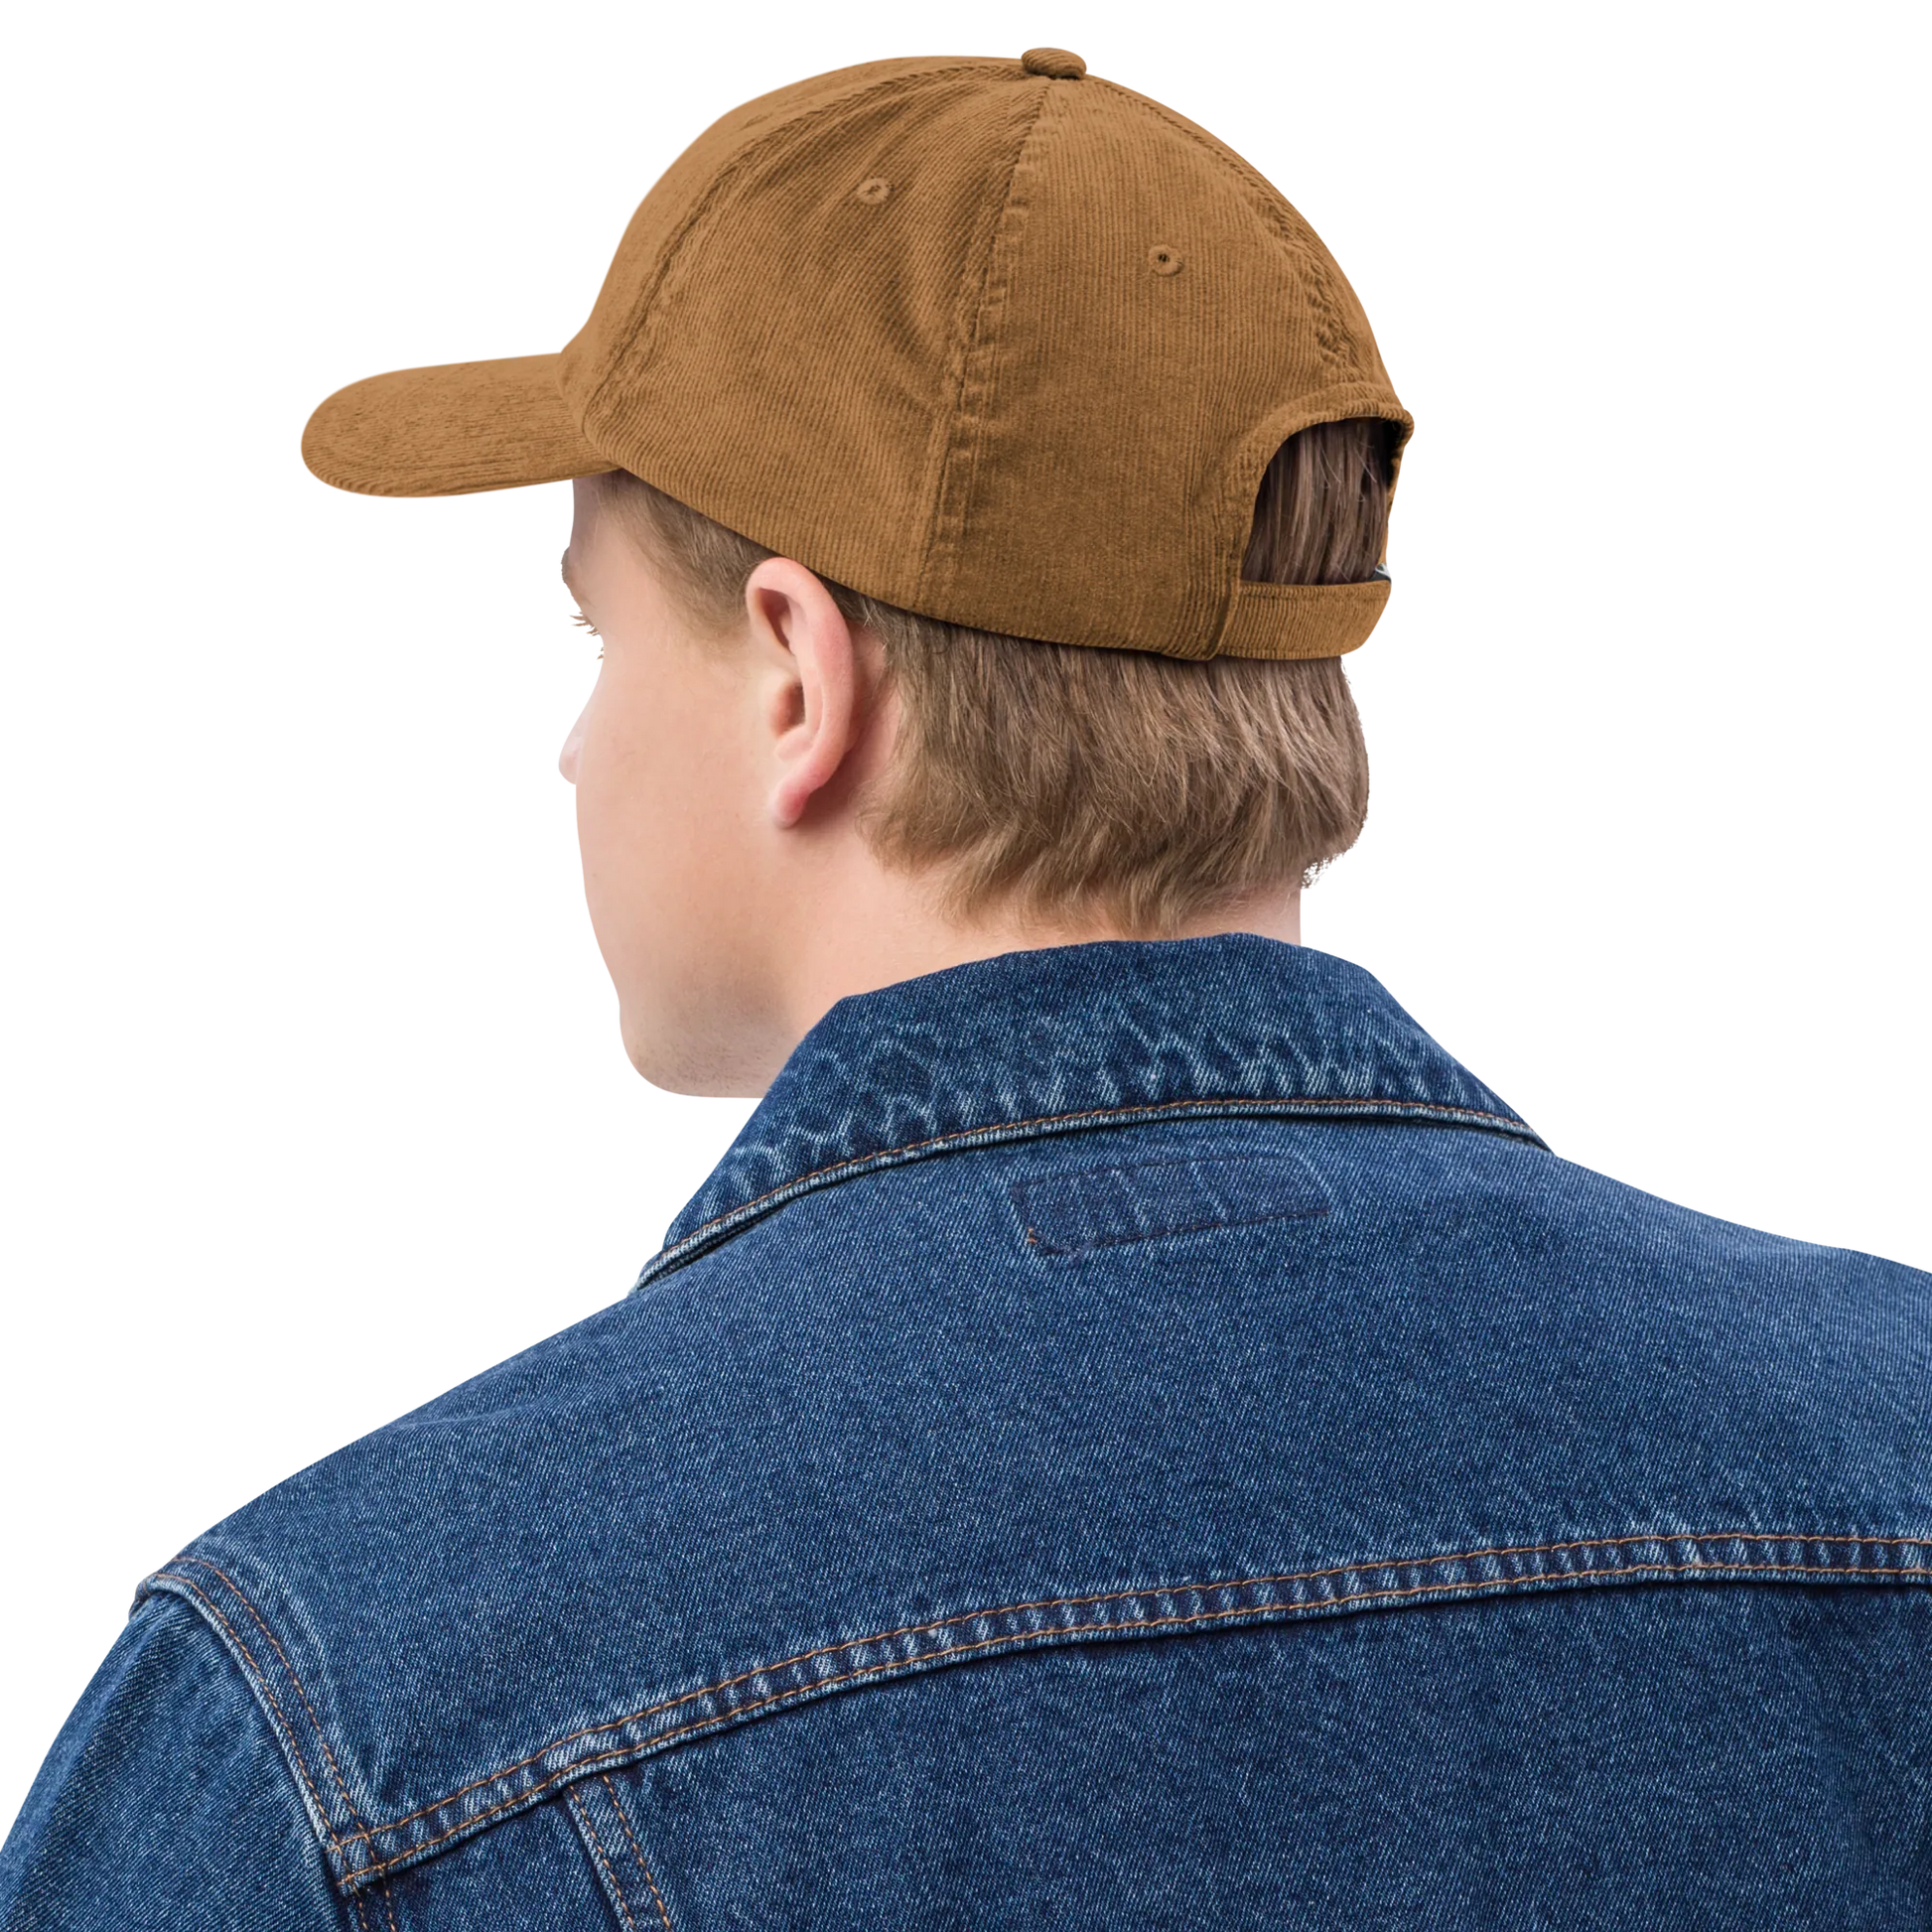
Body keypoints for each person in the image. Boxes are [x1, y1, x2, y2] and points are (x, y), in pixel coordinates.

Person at [4, 44, 1925, 1932]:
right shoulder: (1898, 1433)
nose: (571, 747)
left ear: (798, 676)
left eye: (587, 635)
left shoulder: (341, 1711)